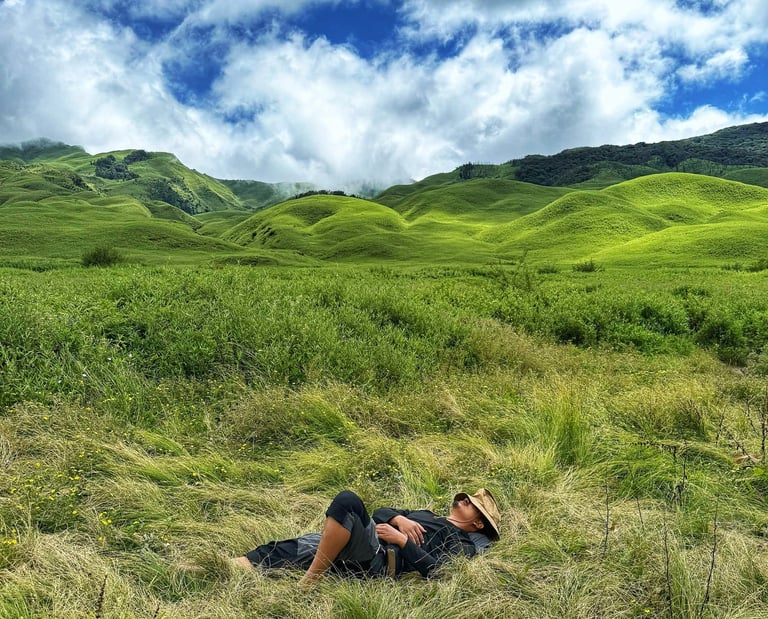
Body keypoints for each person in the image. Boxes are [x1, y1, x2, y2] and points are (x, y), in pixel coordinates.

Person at [234, 488, 501, 586]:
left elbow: (440, 572)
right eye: (466, 497)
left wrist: (401, 540)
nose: (464, 499)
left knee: (347, 501)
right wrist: (400, 519)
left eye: (471, 503)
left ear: (478, 523)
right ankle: (224, 565)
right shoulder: (426, 514)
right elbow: (380, 512)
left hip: (380, 558)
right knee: (283, 549)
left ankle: (309, 582)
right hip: (366, 539)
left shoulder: (461, 542)